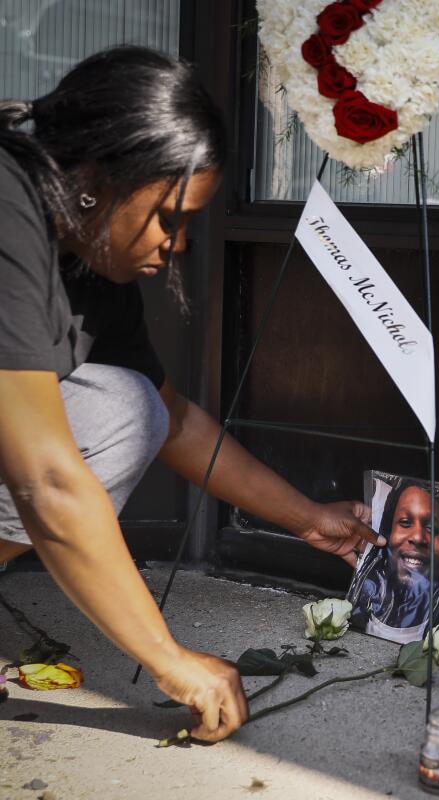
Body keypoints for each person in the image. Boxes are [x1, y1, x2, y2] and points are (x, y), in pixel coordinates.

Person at [0, 47, 385, 742]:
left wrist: (306, 521)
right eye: (167, 218)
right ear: (95, 178)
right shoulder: (6, 205)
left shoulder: (84, 255)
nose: (175, 247)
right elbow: (47, 482)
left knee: (127, 409)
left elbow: (173, 419)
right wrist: (169, 660)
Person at [347, 478, 439, 644]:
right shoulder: (358, 611)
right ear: (387, 532)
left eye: (431, 528)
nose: (418, 537)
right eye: (405, 522)